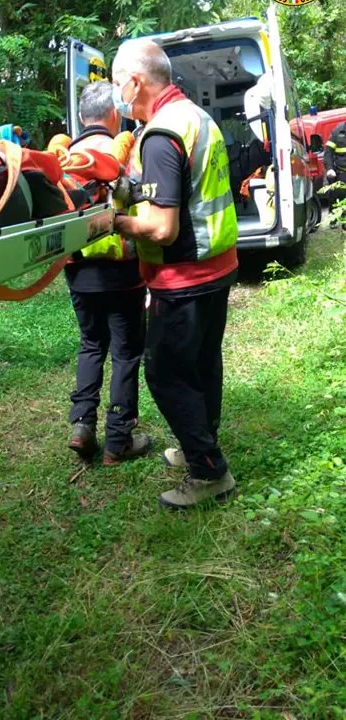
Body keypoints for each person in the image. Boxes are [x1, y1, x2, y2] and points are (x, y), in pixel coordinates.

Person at [111, 39, 239, 509]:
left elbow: (163, 228)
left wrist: (113, 222)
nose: (113, 91)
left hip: (183, 274)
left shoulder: (162, 133)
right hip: (216, 266)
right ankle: (197, 445)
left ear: (135, 81)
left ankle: (208, 472)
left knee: (165, 371)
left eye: (114, 80)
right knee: (203, 363)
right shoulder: (194, 117)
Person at [64, 81, 148, 465]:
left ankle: (82, 426)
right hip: (122, 271)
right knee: (126, 352)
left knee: (90, 344)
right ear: (114, 116)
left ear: (82, 118)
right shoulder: (126, 154)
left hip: (78, 270)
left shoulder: (66, 158)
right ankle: (118, 441)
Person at [323, 122, 346, 223]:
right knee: (340, 197)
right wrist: (329, 168)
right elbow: (328, 152)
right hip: (342, 172)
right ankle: (340, 222)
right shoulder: (338, 131)